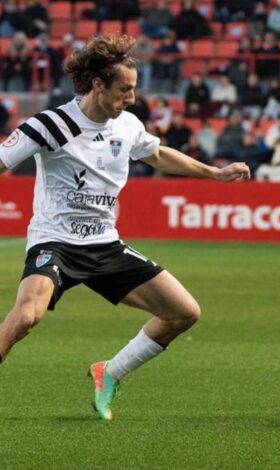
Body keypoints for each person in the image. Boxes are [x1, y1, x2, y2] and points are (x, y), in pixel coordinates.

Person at [0, 34, 250, 420]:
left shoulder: (127, 125)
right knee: (27, 316)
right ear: (98, 85)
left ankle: (111, 373)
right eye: (125, 89)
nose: (132, 98)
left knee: (184, 312)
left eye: (133, 89)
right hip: (56, 243)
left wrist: (214, 174)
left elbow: (159, 155)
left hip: (105, 246)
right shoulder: (51, 124)